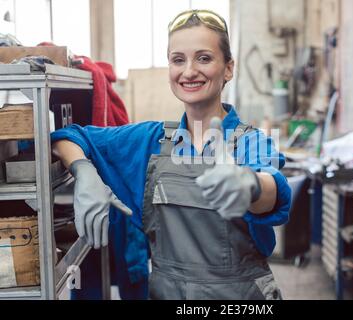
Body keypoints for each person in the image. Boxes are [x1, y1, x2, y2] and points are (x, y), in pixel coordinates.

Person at [51, 9, 291, 300]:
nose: (189, 71)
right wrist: (83, 171)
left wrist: (250, 185)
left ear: (228, 68)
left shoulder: (250, 142)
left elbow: (274, 191)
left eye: (204, 58)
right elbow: (69, 136)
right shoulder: (149, 141)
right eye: (178, 60)